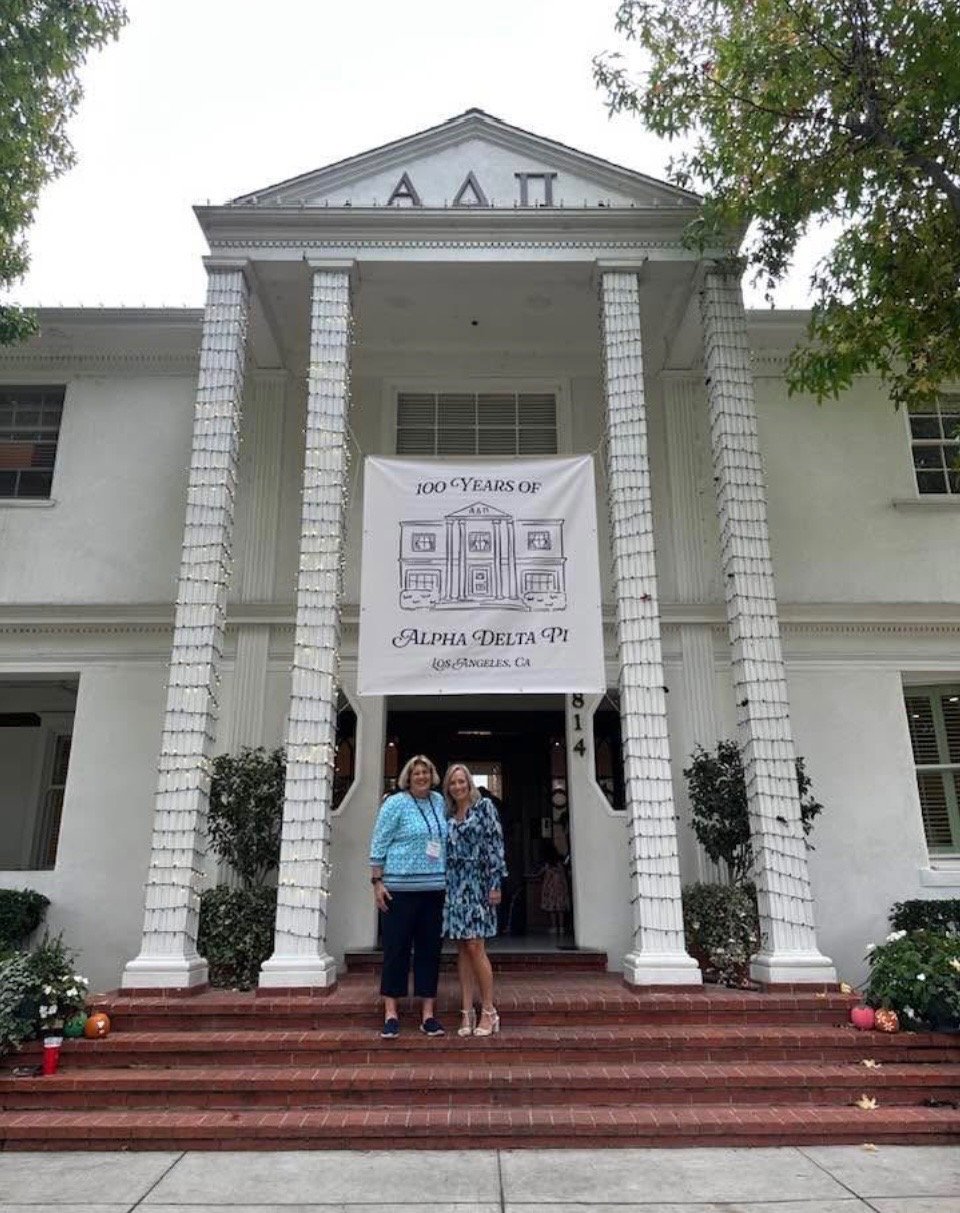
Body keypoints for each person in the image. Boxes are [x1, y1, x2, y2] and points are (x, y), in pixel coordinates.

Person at [368, 754, 448, 1039]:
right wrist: (377, 882)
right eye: (416, 773)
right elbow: (378, 841)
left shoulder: (439, 802)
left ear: (432, 775)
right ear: (408, 777)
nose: (422, 777)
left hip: (433, 891)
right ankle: (391, 1013)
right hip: (399, 891)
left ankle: (428, 1015)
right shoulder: (395, 803)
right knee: (396, 950)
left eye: (426, 772)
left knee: (430, 952)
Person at [441, 764, 507, 1037]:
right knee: (462, 948)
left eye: (461, 781)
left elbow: (495, 845)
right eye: (452, 783)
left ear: (469, 783)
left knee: (476, 945)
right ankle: (466, 1012)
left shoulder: (485, 809)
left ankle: (489, 1011)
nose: (458, 786)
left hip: (479, 883)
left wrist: (495, 884)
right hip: (454, 886)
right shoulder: (446, 814)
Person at [537, 838, 570, 937]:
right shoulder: (560, 862)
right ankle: (562, 927)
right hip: (560, 887)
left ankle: (554, 926)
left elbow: (540, 873)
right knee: (560, 908)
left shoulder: (547, 864)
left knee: (552, 908)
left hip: (550, 888)